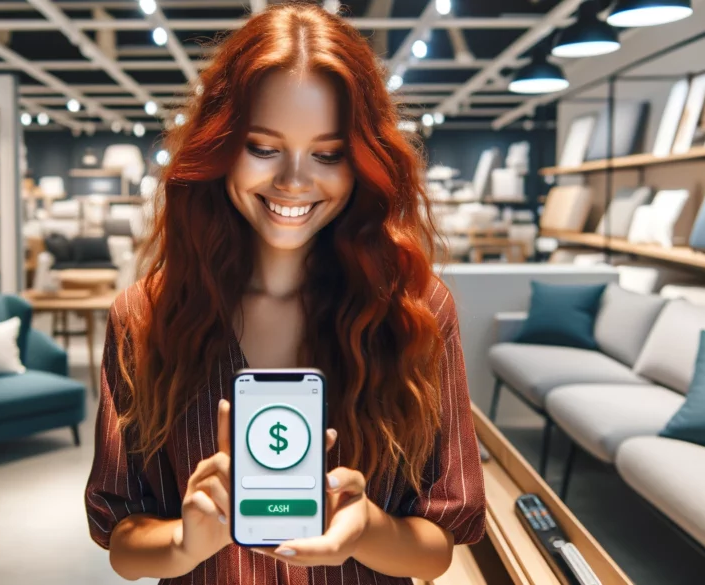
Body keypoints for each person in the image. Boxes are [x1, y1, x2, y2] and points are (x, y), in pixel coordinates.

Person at [85, 3, 484, 583]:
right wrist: (184, 540)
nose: (295, 181)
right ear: (219, 145)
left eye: (328, 154)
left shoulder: (416, 312)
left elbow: (440, 542)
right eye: (263, 147)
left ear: (362, 162)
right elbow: (121, 536)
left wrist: (367, 530)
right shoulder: (145, 317)